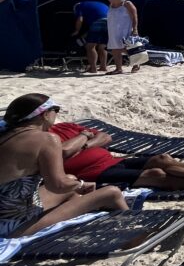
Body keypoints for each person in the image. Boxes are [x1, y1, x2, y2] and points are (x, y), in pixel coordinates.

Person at [0, 93, 128, 237]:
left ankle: (80, 228)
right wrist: (81, 184)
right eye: (56, 110)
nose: (56, 114)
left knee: (70, 179)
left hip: (12, 209)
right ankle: (133, 237)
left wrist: (76, 184)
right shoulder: (46, 139)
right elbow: (57, 186)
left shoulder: (6, 134)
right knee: (112, 193)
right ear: (45, 114)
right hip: (13, 226)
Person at [51, 120, 184, 192]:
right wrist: (85, 136)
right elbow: (64, 151)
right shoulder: (45, 139)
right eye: (53, 110)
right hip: (93, 174)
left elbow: (106, 137)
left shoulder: (65, 126)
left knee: (162, 159)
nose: (56, 112)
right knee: (155, 175)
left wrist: (83, 144)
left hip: (113, 160)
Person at [105, 0, 140, 74]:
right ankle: (118, 69)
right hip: (113, 31)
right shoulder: (111, 5)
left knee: (127, 48)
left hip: (125, 29)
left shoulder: (127, 4)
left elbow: (135, 17)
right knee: (115, 50)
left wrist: (135, 29)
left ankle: (136, 64)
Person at [72, 0, 109, 74]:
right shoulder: (95, 5)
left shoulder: (79, 6)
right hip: (110, 22)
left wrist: (77, 31)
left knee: (90, 46)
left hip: (98, 21)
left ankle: (93, 68)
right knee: (102, 46)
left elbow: (80, 19)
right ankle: (103, 67)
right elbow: (92, 29)